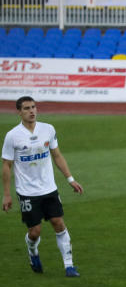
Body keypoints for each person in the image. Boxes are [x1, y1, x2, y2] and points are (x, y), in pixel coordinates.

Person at [2, 96, 83, 277]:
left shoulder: (48, 129)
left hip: (49, 188)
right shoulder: (12, 136)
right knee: (35, 231)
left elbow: (57, 155)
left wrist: (70, 179)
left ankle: (69, 266)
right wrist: (7, 194)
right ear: (19, 112)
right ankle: (32, 252)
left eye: (33, 107)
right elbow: (6, 165)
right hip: (27, 191)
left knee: (58, 223)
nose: (31, 111)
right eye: (26, 108)